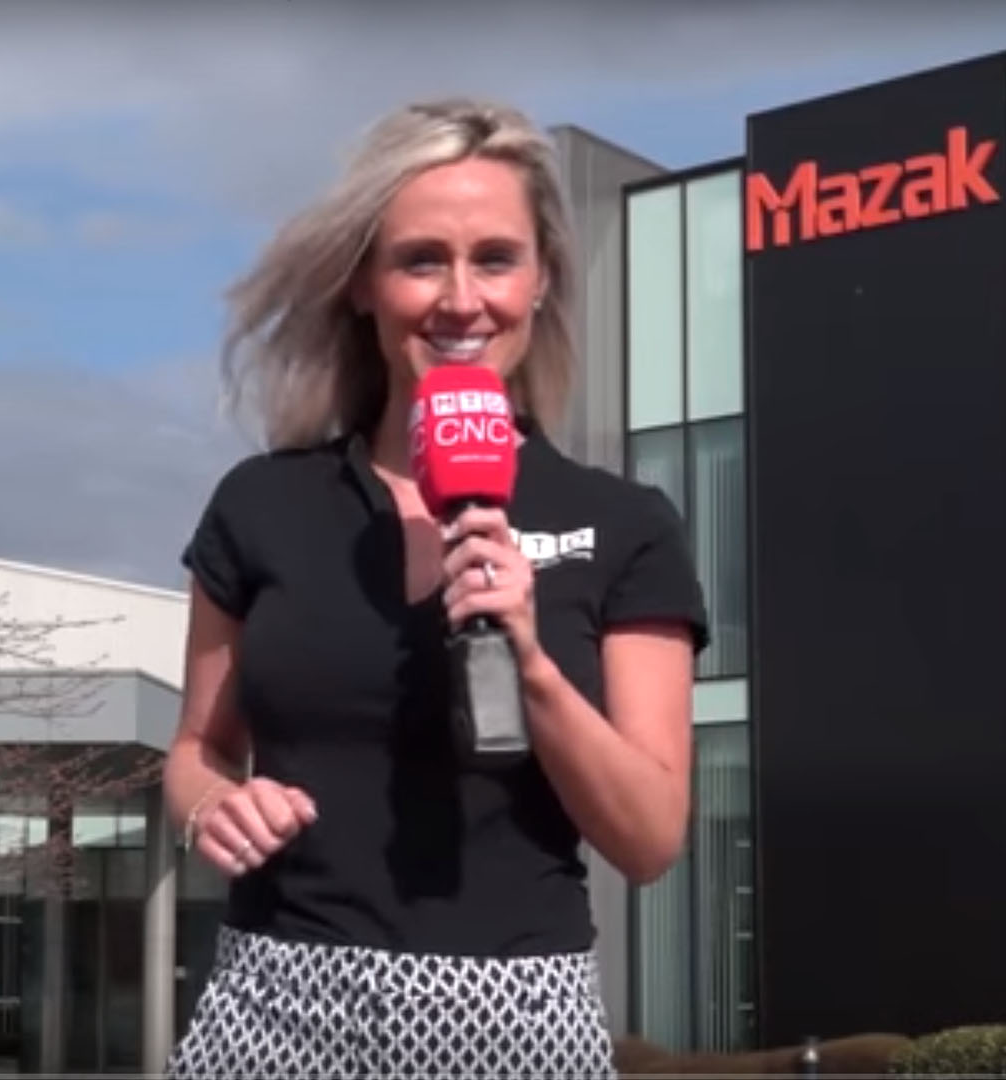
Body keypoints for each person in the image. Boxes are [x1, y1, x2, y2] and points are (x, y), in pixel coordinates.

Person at [161, 96, 709, 1080]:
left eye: (495, 259)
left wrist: (532, 665)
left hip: (519, 1020)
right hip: (274, 1009)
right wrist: (212, 808)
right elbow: (200, 749)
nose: (461, 300)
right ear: (362, 285)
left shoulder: (627, 524)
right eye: (421, 261)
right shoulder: (262, 505)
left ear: (541, 280)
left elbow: (649, 837)